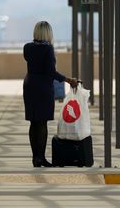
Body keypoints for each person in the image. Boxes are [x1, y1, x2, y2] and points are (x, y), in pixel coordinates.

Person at [23, 21, 79, 167]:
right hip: (43, 88)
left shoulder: (27, 47)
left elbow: (32, 62)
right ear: (48, 33)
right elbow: (50, 72)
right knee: (42, 123)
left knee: (33, 122)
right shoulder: (48, 49)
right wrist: (68, 80)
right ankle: (41, 158)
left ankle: (35, 158)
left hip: (29, 85)